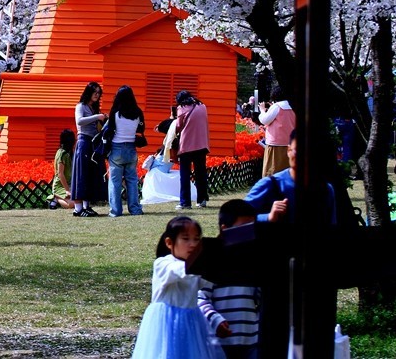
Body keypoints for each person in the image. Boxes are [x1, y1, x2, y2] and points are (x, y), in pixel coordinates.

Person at [130, 216, 223, 359]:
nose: (192, 244)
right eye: (185, 239)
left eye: (197, 239)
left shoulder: (197, 269)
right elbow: (182, 271)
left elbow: (208, 281)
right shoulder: (164, 264)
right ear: (169, 242)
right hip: (166, 323)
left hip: (192, 322)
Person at [197, 200, 260, 359]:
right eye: (244, 228)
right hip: (220, 343)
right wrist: (215, 320)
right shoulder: (212, 260)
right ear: (225, 230)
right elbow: (201, 297)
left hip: (251, 339)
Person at [244, 131, 337, 225]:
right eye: (298, 150)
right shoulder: (270, 185)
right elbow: (237, 219)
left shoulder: (325, 189)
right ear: (289, 151)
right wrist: (268, 217)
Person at [103, 85, 145, 217]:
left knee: (115, 182)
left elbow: (110, 130)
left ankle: (115, 211)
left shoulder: (115, 112)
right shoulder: (138, 112)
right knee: (132, 180)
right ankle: (135, 209)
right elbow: (141, 130)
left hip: (117, 148)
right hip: (131, 148)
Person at [70, 82, 107, 217]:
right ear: (89, 92)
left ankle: (86, 206)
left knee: (89, 174)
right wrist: (97, 117)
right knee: (81, 174)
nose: (97, 95)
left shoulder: (93, 108)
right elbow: (79, 121)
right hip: (84, 141)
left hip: (92, 143)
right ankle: (78, 208)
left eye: (99, 93)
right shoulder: (81, 106)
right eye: (95, 92)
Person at [175, 91, 210, 210]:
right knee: (200, 173)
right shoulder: (202, 106)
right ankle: (202, 200)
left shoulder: (181, 108)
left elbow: (178, 126)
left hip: (187, 146)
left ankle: (185, 202)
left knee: (185, 174)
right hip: (202, 144)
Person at [257, 85, 295, 177]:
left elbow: (264, 120)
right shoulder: (293, 107)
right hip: (290, 143)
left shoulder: (277, 106)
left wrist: (262, 110)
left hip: (275, 144)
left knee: (272, 170)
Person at [48, 129, 75, 209]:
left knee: (79, 201)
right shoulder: (61, 153)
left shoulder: (69, 153)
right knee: (72, 204)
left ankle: (58, 198)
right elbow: (60, 174)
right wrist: (67, 190)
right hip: (60, 186)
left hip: (69, 184)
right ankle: (56, 198)